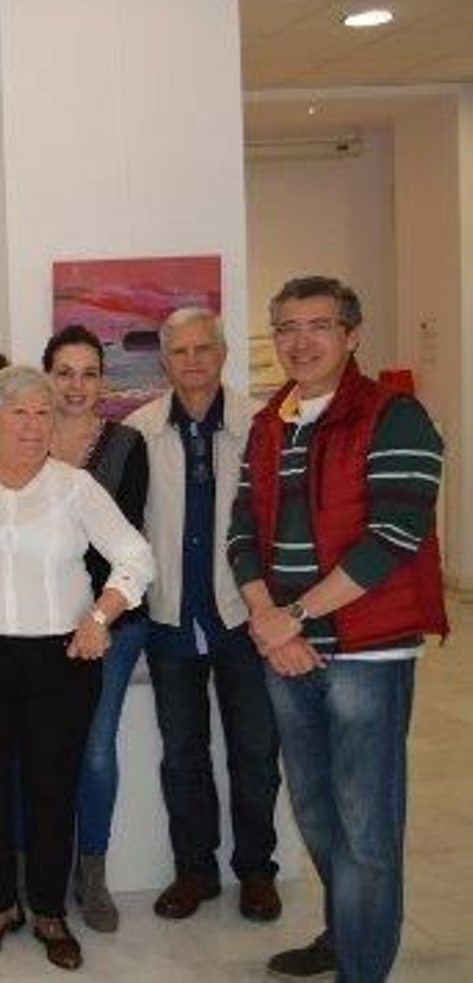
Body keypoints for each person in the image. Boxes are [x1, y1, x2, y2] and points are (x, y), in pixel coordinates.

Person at [228, 276, 446, 983]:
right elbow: (240, 530)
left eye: (318, 325)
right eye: (286, 327)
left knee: (367, 828)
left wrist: (292, 616)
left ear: (351, 334)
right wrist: (268, 619)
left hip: (366, 651)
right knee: (317, 813)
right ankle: (345, 932)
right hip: (286, 647)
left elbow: (392, 535)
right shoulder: (270, 420)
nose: (301, 340)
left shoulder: (394, 415)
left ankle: (362, 968)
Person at [0, 366, 153, 971]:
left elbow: (135, 556)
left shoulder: (75, 487)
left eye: (43, 413)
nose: (34, 426)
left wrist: (101, 616)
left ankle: (46, 909)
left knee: (50, 789)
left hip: (60, 661)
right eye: (19, 413)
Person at [123, 308, 284, 925]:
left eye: (203, 349)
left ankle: (257, 872)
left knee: (254, 751)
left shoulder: (262, 427)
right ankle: (195, 871)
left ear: (223, 354)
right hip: (170, 618)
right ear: (164, 361)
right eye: (179, 351)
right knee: (182, 755)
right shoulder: (138, 431)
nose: (192, 361)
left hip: (245, 617)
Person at [41, 326, 149, 933]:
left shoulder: (126, 444)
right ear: (47, 375)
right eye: (65, 371)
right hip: (35, 623)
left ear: (101, 380)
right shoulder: (24, 438)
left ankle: (94, 873)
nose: (76, 386)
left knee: (95, 750)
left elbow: (124, 542)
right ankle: (43, 870)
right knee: (36, 748)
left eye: (88, 373)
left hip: (109, 621)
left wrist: (95, 614)